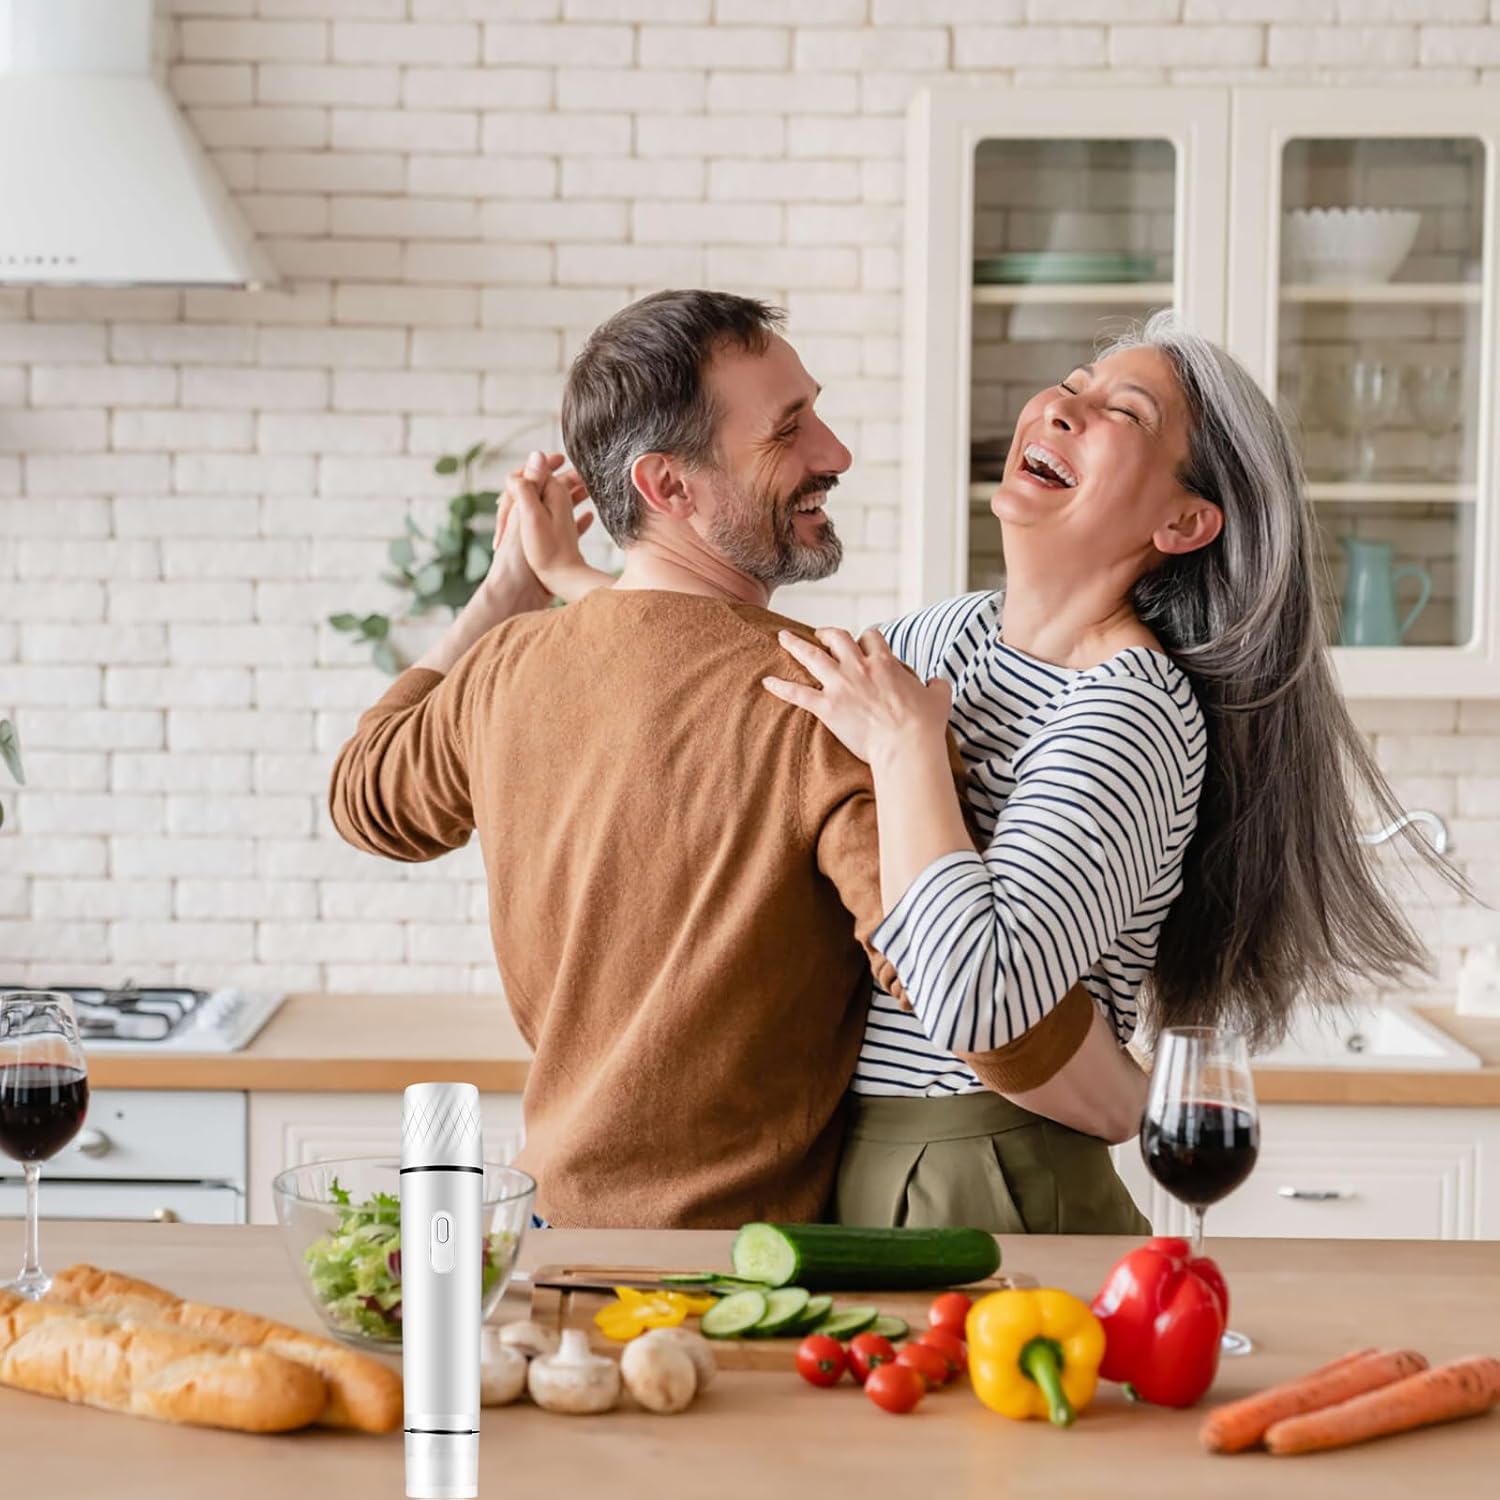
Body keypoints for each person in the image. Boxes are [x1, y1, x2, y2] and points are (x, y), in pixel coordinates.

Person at [520, 303, 1450, 1233]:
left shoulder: (1130, 709)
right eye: (1074, 387)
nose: (1059, 407)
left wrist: (907, 751)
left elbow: (981, 999)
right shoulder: (947, 634)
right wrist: (575, 580)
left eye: (1122, 414)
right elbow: (751, 686)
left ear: (1183, 520)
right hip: (857, 1163)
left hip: (993, 1169)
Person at [328, 290, 1137, 1231]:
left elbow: (365, 797)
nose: (834, 453)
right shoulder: (826, 703)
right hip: (729, 1275)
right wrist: (1136, 1101)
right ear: (668, 488)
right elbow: (974, 1000)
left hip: (545, 1236)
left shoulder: (506, 668)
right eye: (788, 432)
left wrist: (504, 591)